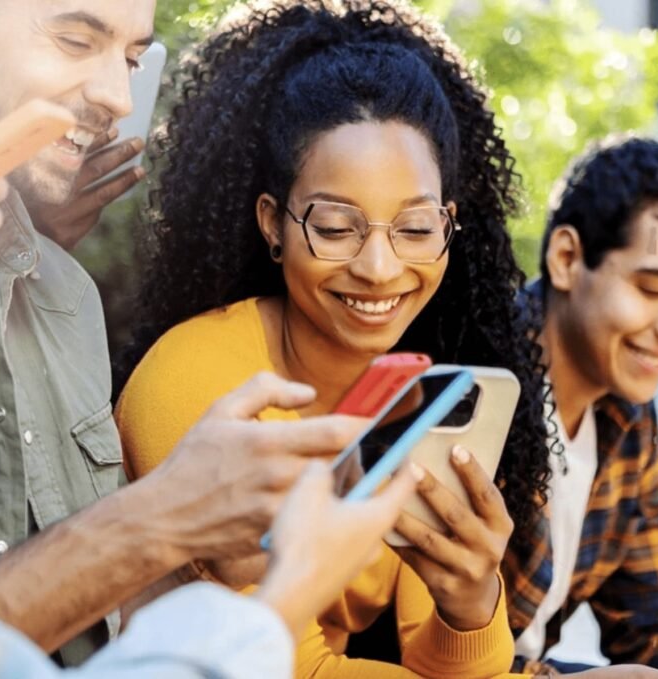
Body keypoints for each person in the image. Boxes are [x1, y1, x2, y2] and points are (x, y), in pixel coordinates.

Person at [0, 8, 424, 676]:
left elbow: (105, 610)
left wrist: (205, 546)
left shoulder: (64, 296)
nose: (119, 99)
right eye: (75, 39)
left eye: (131, 60)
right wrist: (213, 556)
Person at [114, 1, 556, 676]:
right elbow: (286, 667)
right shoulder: (196, 385)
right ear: (274, 223)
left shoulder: (420, 396)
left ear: (449, 224)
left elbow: (450, 665)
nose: (380, 267)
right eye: (336, 226)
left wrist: (469, 601)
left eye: (413, 229)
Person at [505, 135, 658, 677]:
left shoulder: (628, 415)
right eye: (654, 287)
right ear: (567, 259)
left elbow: (652, 625)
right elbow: (427, 654)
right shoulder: (479, 388)